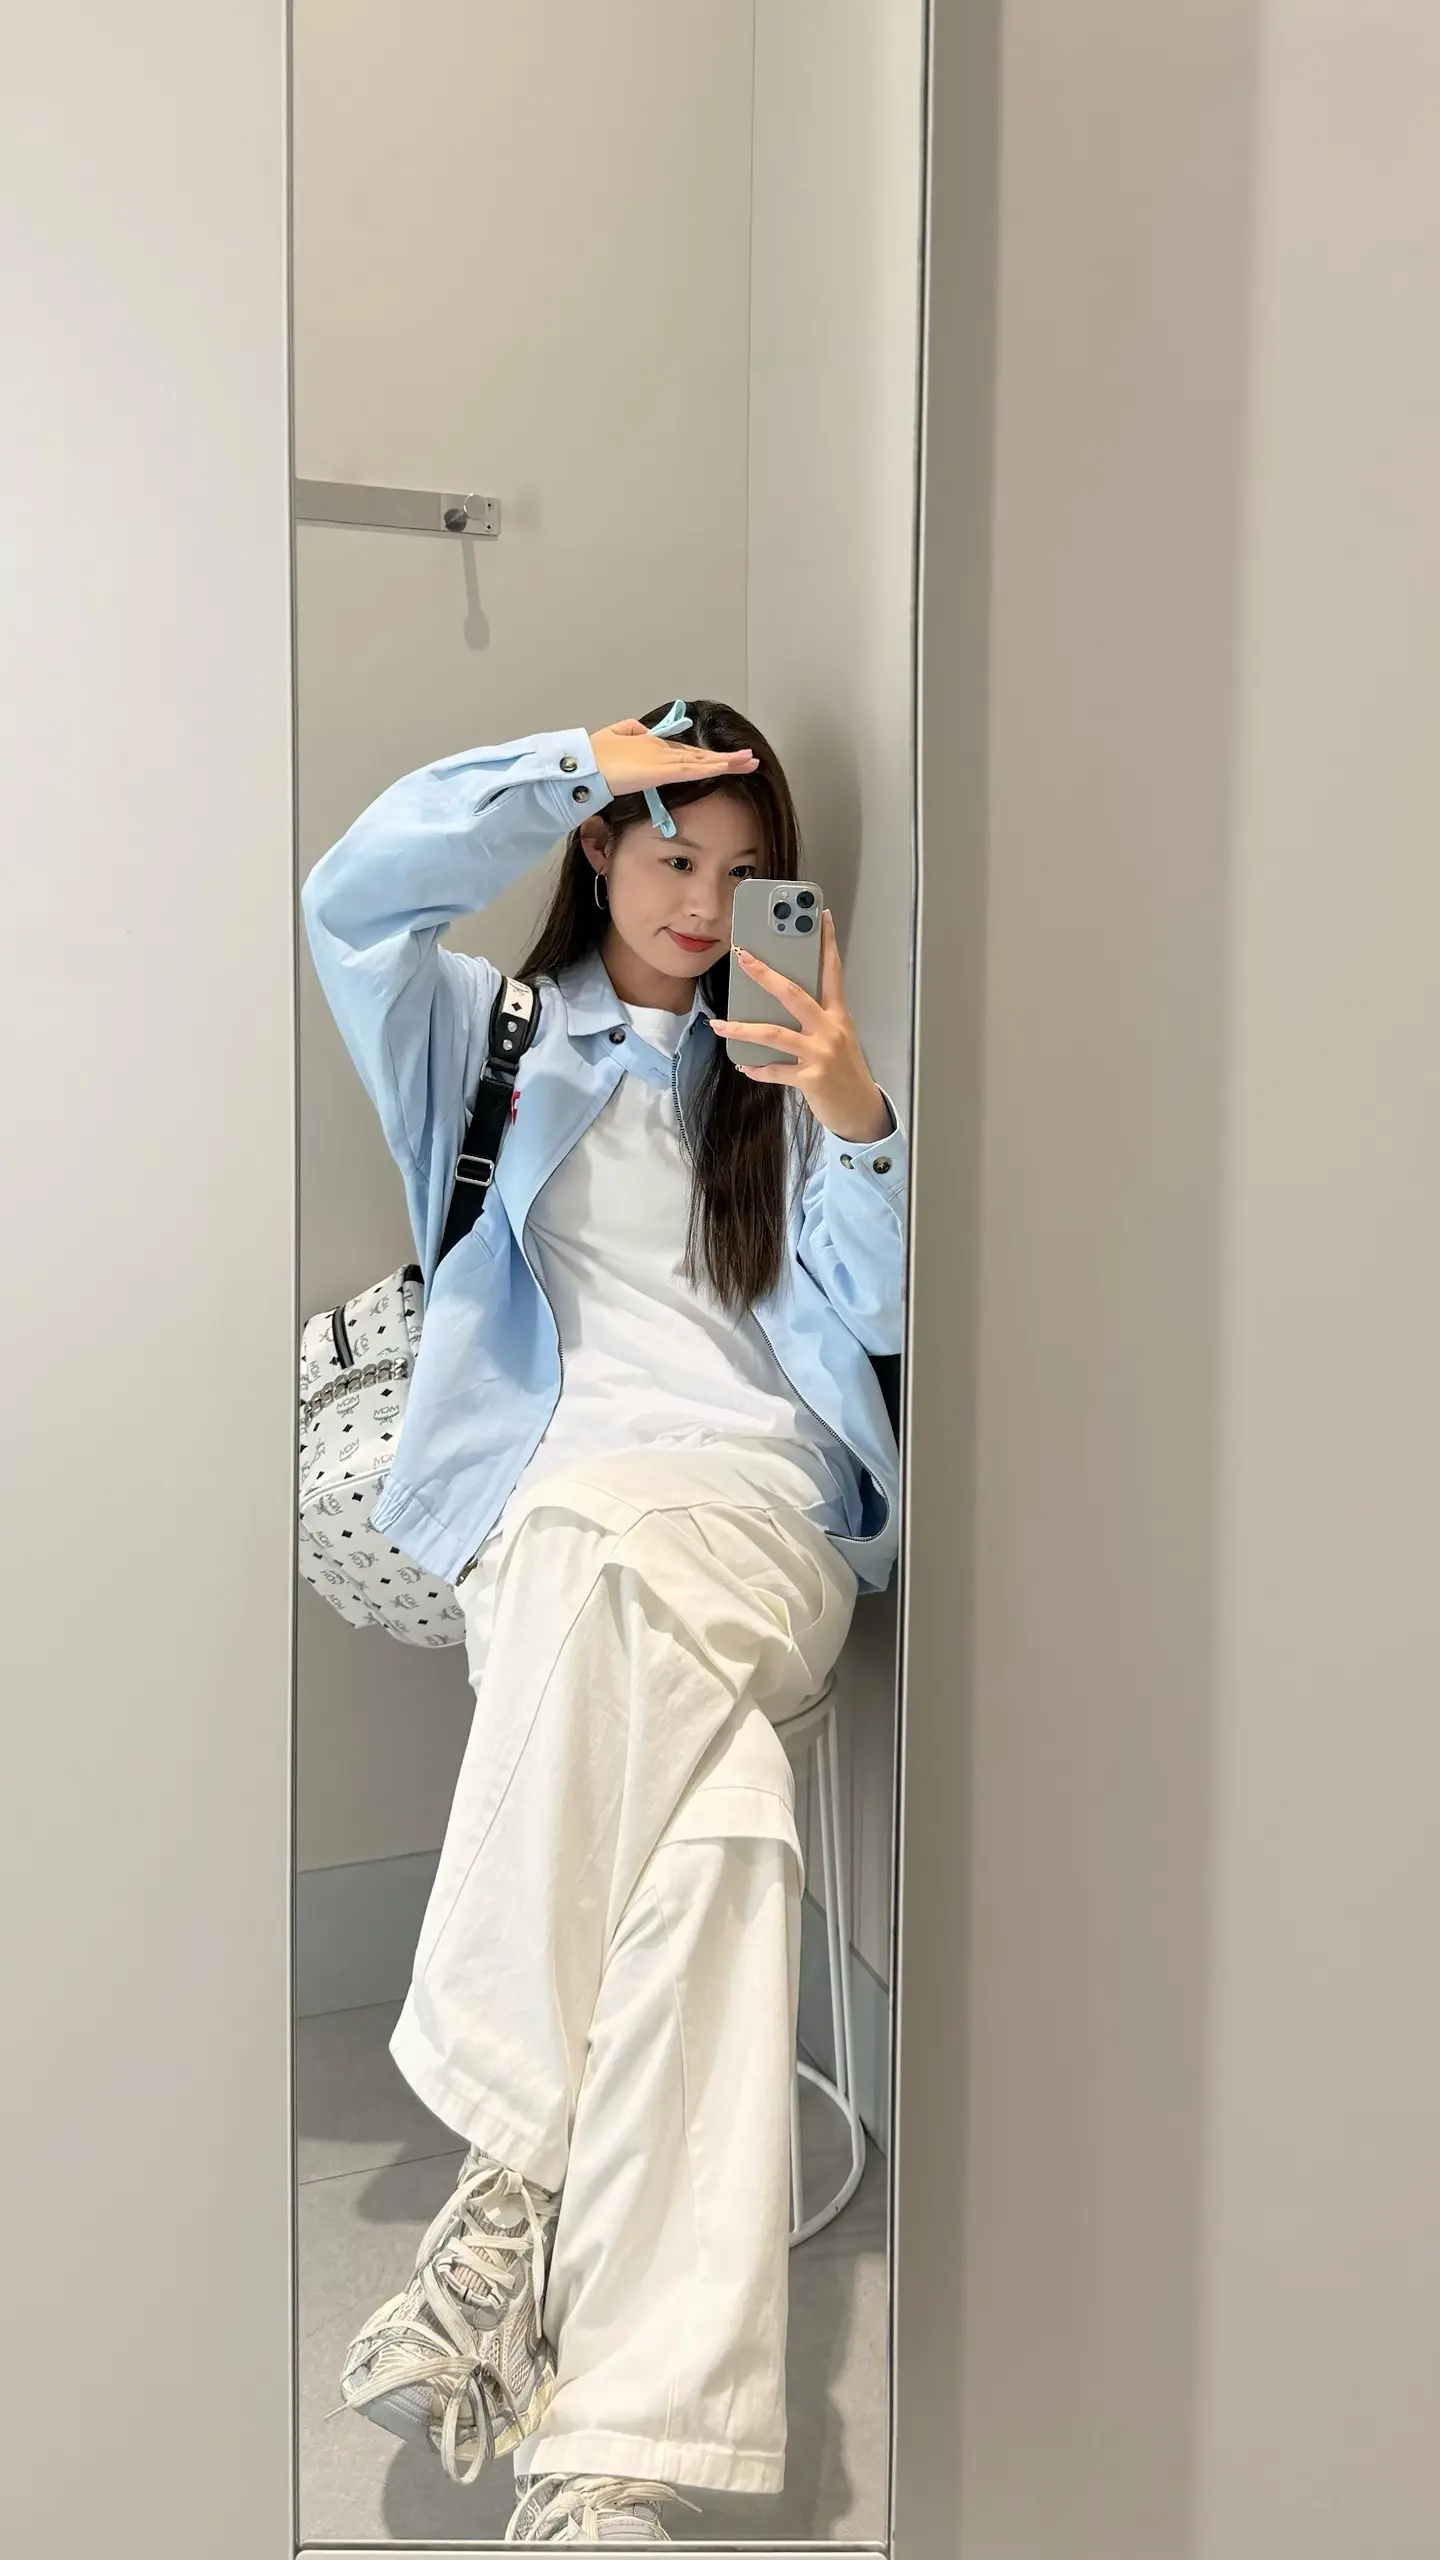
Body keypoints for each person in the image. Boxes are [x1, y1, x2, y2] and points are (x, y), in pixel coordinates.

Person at [301, 700, 906, 2546]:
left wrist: (855, 1117)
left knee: (623, 1563)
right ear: (599, 844)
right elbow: (351, 897)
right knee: (717, 1849)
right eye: (673, 853)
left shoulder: (783, 1067)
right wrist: (572, 757)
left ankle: (504, 2198)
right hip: (553, 1533)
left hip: (758, 1522)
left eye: (745, 871)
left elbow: (889, 1320)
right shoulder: (484, 1038)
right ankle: (616, 2465)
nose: (706, 903)